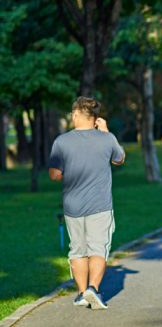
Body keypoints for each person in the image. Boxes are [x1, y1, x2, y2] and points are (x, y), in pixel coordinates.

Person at [48, 97, 126, 310]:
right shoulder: (107, 139)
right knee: (98, 248)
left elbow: (54, 175)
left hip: (72, 207)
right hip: (100, 205)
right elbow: (119, 159)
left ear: (74, 115)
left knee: (78, 250)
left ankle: (82, 293)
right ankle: (94, 287)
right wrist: (106, 131)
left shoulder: (61, 142)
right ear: (95, 118)